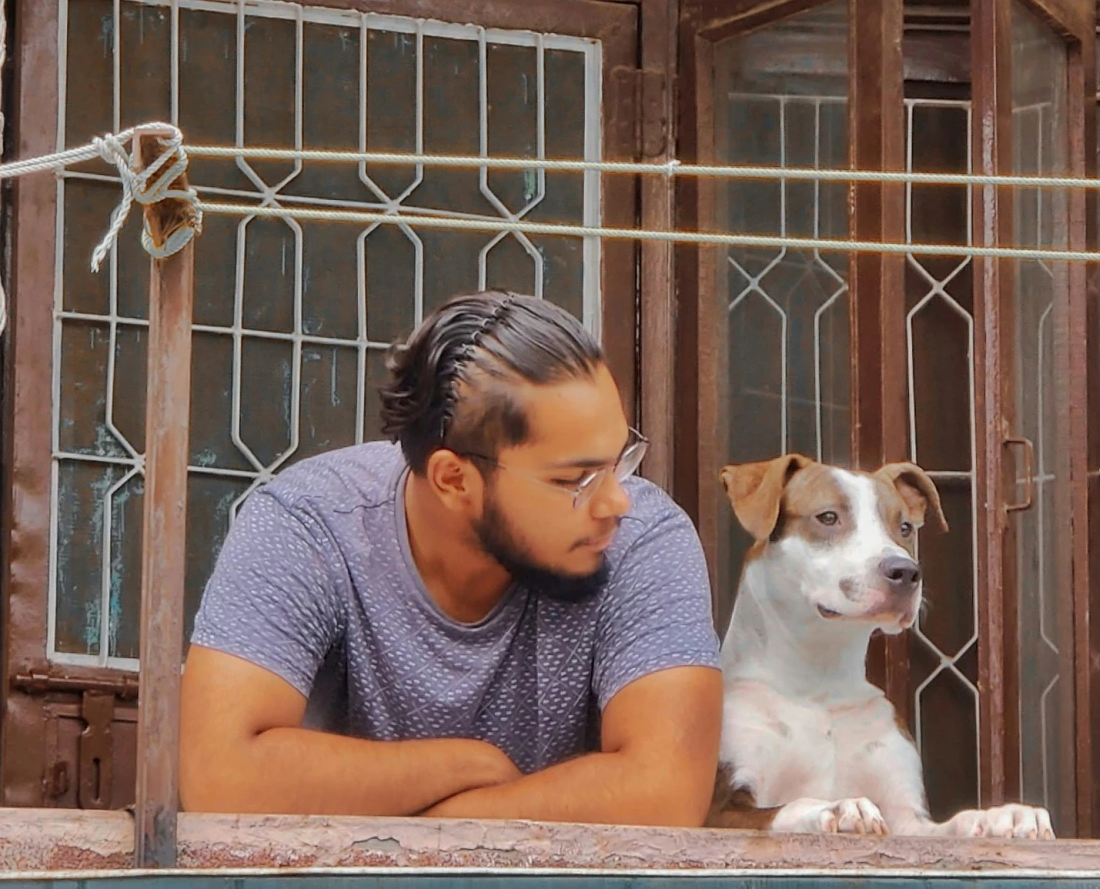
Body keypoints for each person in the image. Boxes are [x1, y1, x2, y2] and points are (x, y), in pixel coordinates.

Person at [180, 290, 722, 824]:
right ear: (454, 479)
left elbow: (665, 790)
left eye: (619, 461)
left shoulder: (644, 538)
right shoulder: (308, 524)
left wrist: (434, 822)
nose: (615, 501)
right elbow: (219, 775)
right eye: (574, 479)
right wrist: (468, 764)